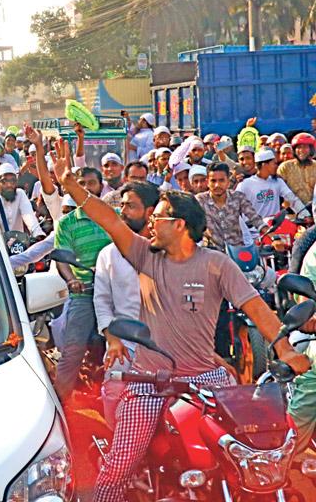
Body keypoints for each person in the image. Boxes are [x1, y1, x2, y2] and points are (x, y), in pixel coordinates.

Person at [49, 139, 308, 502]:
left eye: (159, 218)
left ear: (180, 225)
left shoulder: (217, 264)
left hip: (206, 378)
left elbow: (255, 309)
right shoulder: (144, 255)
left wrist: (284, 349)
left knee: (248, 448)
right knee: (119, 465)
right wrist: (71, 185)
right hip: (150, 381)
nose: (150, 223)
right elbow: (108, 219)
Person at [93, 181, 158, 427]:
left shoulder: (164, 251)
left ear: (150, 212)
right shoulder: (107, 255)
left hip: (164, 345)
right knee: (113, 392)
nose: (122, 211)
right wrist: (113, 340)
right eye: (121, 205)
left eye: (130, 206)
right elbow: (102, 301)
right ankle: (117, 444)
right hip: (125, 344)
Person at [52, 165, 112, 403]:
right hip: (85, 292)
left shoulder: (112, 214)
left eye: (91, 183)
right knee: (73, 351)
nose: (86, 188)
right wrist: (72, 279)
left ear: (100, 186)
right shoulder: (66, 223)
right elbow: (62, 259)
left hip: (114, 292)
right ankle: (59, 407)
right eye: (81, 184)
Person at [196, 162, 266, 250]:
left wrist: (274, 238)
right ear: (207, 182)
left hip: (238, 253)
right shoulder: (200, 200)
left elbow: (255, 219)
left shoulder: (238, 197)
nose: (217, 185)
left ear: (228, 181)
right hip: (213, 254)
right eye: (213, 181)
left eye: (221, 180)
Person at [236, 147, 307, 224]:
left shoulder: (278, 181)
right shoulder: (245, 184)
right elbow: (233, 206)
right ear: (264, 165)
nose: (276, 166)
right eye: (274, 163)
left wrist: (305, 215)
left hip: (274, 229)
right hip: (253, 232)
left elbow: (292, 199)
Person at [0, 163, 45, 237]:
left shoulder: (20, 194)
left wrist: (37, 233)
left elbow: (28, 215)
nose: (9, 185)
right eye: (4, 181)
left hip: (19, 245)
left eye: (13, 180)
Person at [277, 133, 316, 205]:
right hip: (292, 211)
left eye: (305, 147)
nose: (301, 150)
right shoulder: (285, 167)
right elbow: (278, 190)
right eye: (299, 147)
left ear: (311, 149)